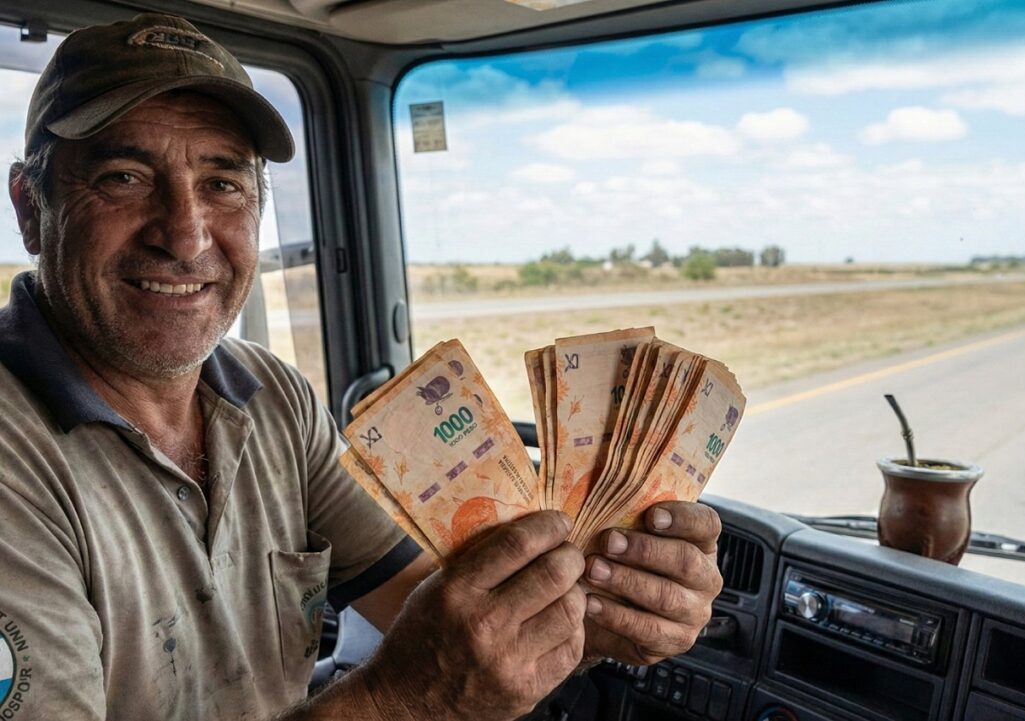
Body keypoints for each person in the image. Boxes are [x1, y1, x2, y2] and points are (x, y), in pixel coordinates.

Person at [0, 13, 724, 721]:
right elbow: (432, 674)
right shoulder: (14, 456)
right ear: (32, 208)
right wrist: (405, 698)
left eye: (223, 183)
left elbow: (443, 604)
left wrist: (594, 611)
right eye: (125, 176)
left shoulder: (273, 396)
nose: (186, 236)